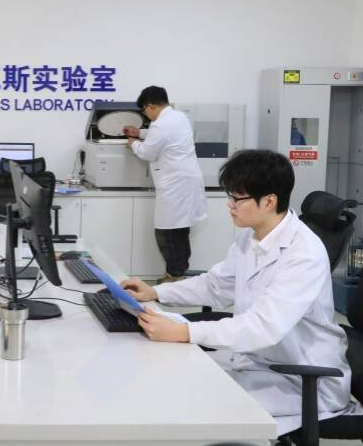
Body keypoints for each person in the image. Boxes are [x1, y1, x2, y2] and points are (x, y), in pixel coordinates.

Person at [121, 149, 361, 436]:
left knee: (192, 403)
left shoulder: (303, 254)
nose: (230, 205)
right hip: (258, 361)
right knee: (171, 377)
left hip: (300, 378)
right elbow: (216, 285)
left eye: (237, 198)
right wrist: (156, 292)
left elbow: (262, 328)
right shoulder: (251, 236)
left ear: (269, 201)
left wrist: (185, 332)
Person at [123, 85, 207, 283]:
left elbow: (148, 152)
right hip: (185, 180)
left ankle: (175, 276)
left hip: (175, 184)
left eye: (145, 111)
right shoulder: (179, 117)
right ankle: (178, 273)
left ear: (151, 106)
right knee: (180, 230)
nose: (146, 115)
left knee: (167, 233)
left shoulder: (160, 125)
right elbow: (162, 137)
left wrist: (133, 143)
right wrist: (139, 132)